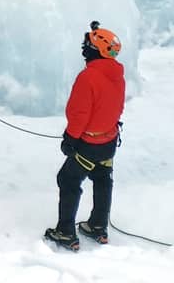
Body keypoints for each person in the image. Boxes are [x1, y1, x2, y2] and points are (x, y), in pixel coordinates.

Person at [44, 21, 125, 252]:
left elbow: (80, 113)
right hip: (109, 142)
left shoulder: (88, 77)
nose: (84, 50)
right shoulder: (117, 76)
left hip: (88, 144)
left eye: (87, 46)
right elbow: (117, 107)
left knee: (68, 180)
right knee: (102, 178)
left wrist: (71, 138)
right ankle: (98, 226)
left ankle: (65, 232)